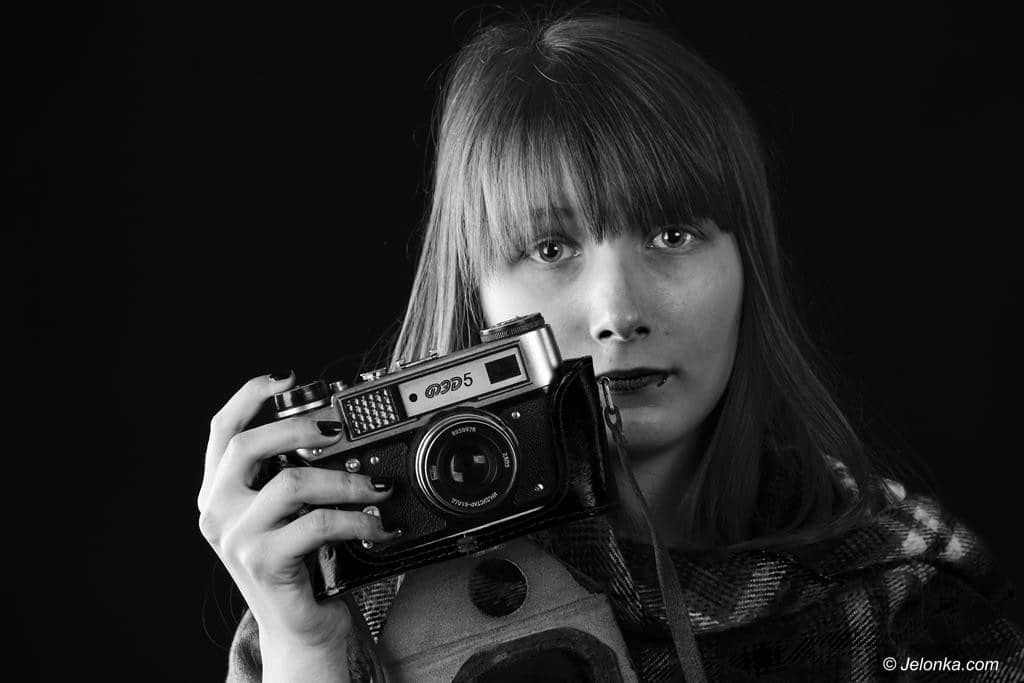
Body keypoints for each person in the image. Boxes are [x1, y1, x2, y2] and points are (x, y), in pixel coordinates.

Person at [198, 11, 1024, 681]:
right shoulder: (347, 605)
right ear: (475, 293)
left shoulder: (904, 594)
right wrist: (305, 653)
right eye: (551, 248)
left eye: (671, 234)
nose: (617, 312)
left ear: (749, 266)